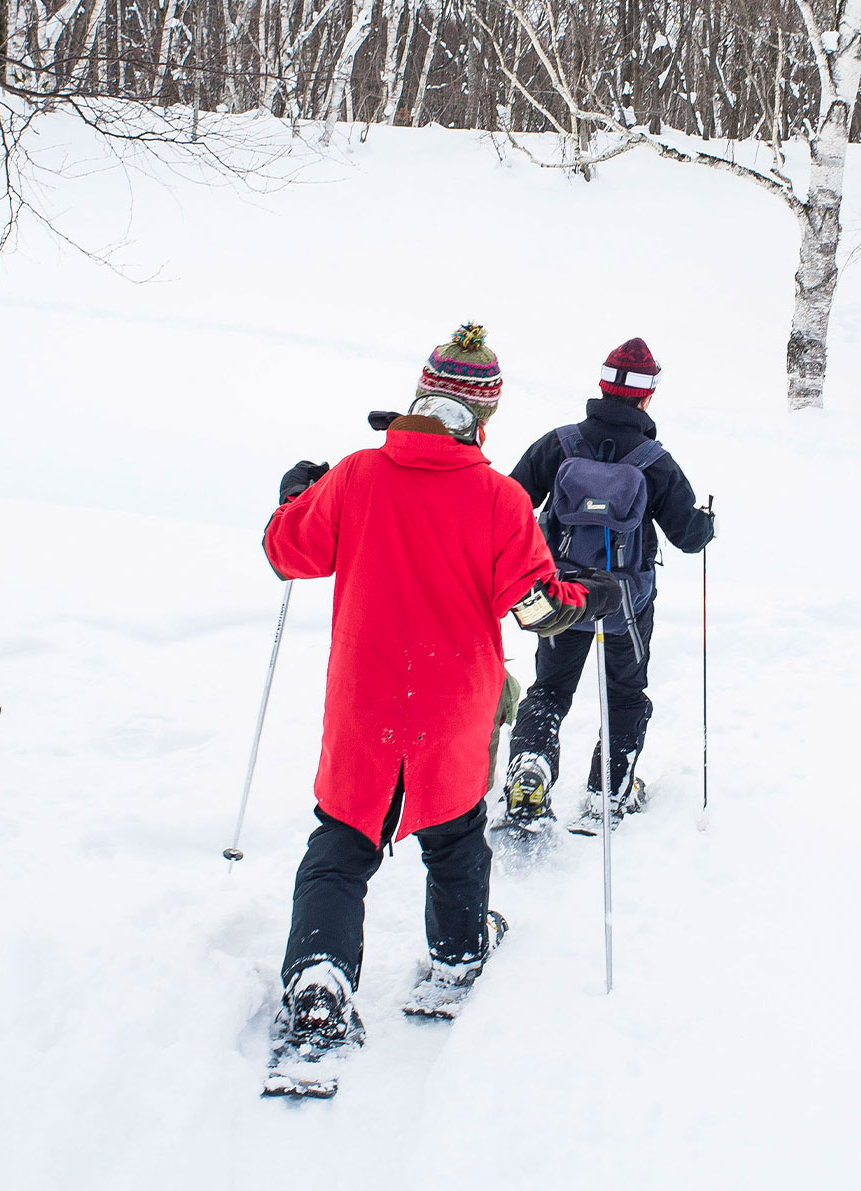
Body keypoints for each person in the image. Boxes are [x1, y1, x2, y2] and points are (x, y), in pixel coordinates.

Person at [260, 323, 614, 1089]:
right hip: (451, 702)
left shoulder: (355, 475)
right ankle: (456, 957)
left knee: (344, 841)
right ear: (482, 417)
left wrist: (295, 499)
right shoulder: (496, 498)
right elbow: (533, 610)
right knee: (454, 837)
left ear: (419, 396)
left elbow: (289, 553)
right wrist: (584, 596)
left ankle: (319, 979)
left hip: (364, 699)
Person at [502, 337, 715, 835]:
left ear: (601, 386)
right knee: (625, 692)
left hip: (560, 595)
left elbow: (509, 508)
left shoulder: (560, 443)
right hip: (625, 601)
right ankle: (608, 792)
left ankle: (530, 770)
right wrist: (706, 523)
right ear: (647, 396)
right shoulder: (653, 459)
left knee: (550, 689)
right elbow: (688, 537)